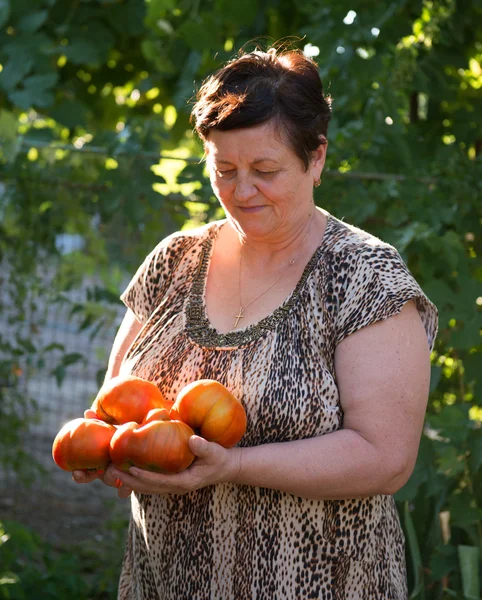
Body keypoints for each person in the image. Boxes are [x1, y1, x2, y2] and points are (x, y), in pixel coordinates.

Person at [73, 45, 438, 599]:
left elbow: (385, 458)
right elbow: (115, 402)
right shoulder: (175, 261)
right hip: (164, 581)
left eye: (265, 170)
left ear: (315, 158)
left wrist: (231, 466)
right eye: (224, 170)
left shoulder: (366, 278)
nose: (242, 192)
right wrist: (104, 451)